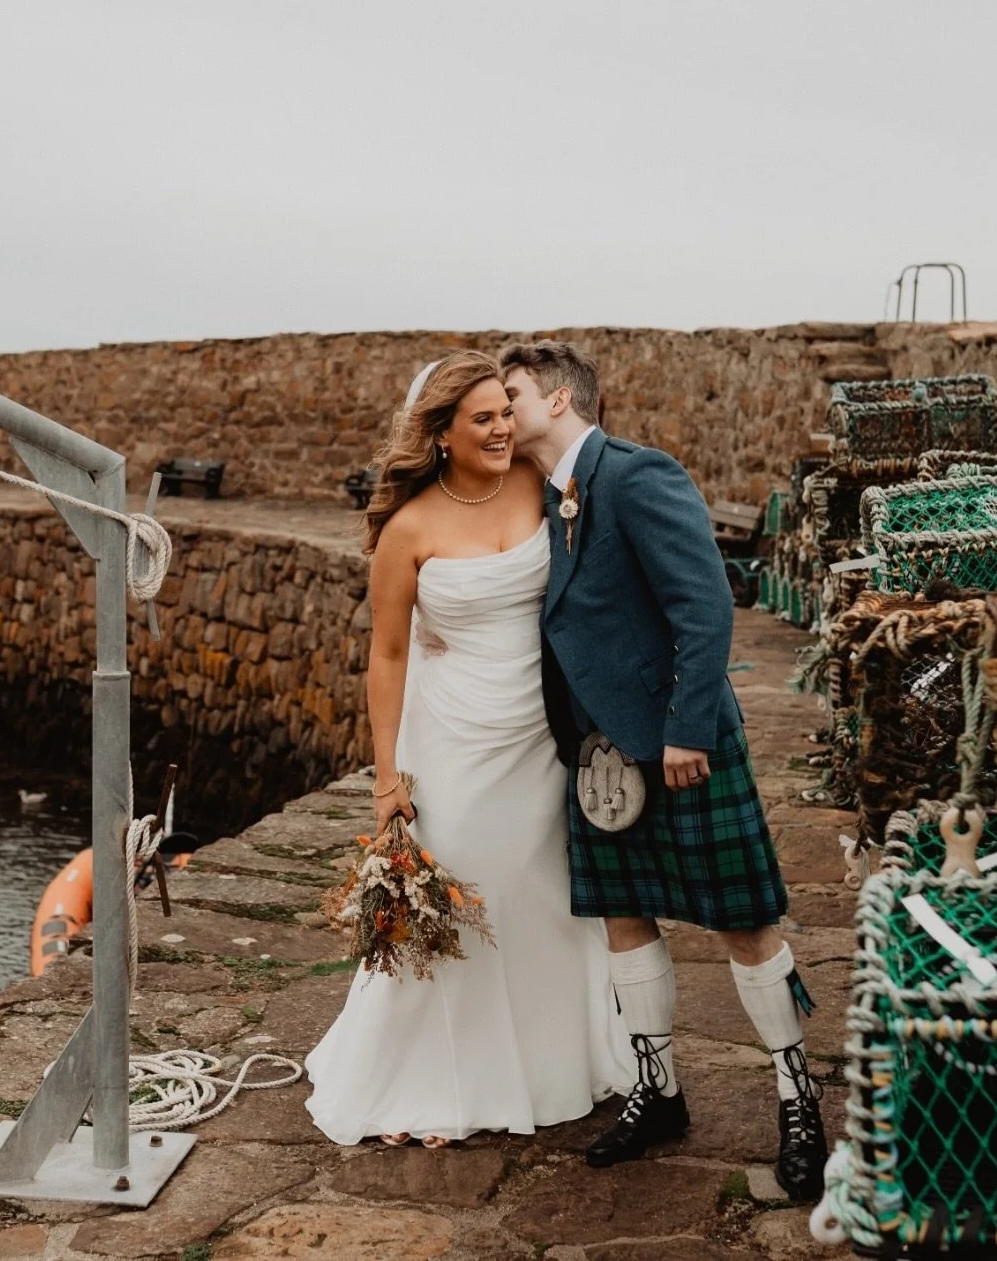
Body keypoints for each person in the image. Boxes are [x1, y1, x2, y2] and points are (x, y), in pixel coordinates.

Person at [501, 339, 827, 1201]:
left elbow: (706, 602)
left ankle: (800, 1100)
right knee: (623, 918)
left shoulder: (637, 476)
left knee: (744, 922)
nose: (502, 409)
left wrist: (687, 729)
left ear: (563, 400)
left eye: (514, 394)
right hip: (601, 756)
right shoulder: (541, 495)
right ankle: (660, 1091)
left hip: (680, 747)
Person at [304, 351, 633, 1147]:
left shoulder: (539, 484)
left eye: (504, 413)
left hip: (538, 729)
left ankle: (561, 1064)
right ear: (442, 432)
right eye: (481, 418)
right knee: (463, 899)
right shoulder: (407, 530)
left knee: (541, 897)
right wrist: (388, 776)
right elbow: (388, 656)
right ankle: (432, 1079)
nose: (500, 428)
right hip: (450, 737)